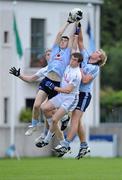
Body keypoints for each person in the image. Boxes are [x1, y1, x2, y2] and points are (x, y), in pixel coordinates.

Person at [54, 22, 107, 158]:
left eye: (98, 52)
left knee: (75, 120)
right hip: (75, 93)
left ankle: (66, 144)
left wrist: (80, 69)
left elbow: (84, 80)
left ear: (99, 58)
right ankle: (84, 145)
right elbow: (81, 42)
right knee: (78, 121)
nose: (95, 51)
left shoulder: (95, 68)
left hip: (84, 96)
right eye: (96, 51)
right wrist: (79, 26)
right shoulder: (86, 56)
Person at [35, 52, 83, 148]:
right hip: (62, 95)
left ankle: (46, 139)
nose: (71, 61)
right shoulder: (68, 66)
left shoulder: (77, 74)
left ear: (78, 63)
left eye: (74, 60)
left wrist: (53, 87)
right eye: (71, 58)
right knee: (44, 107)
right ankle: (61, 121)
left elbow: (68, 90)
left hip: (70, 99)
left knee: (54, 119)